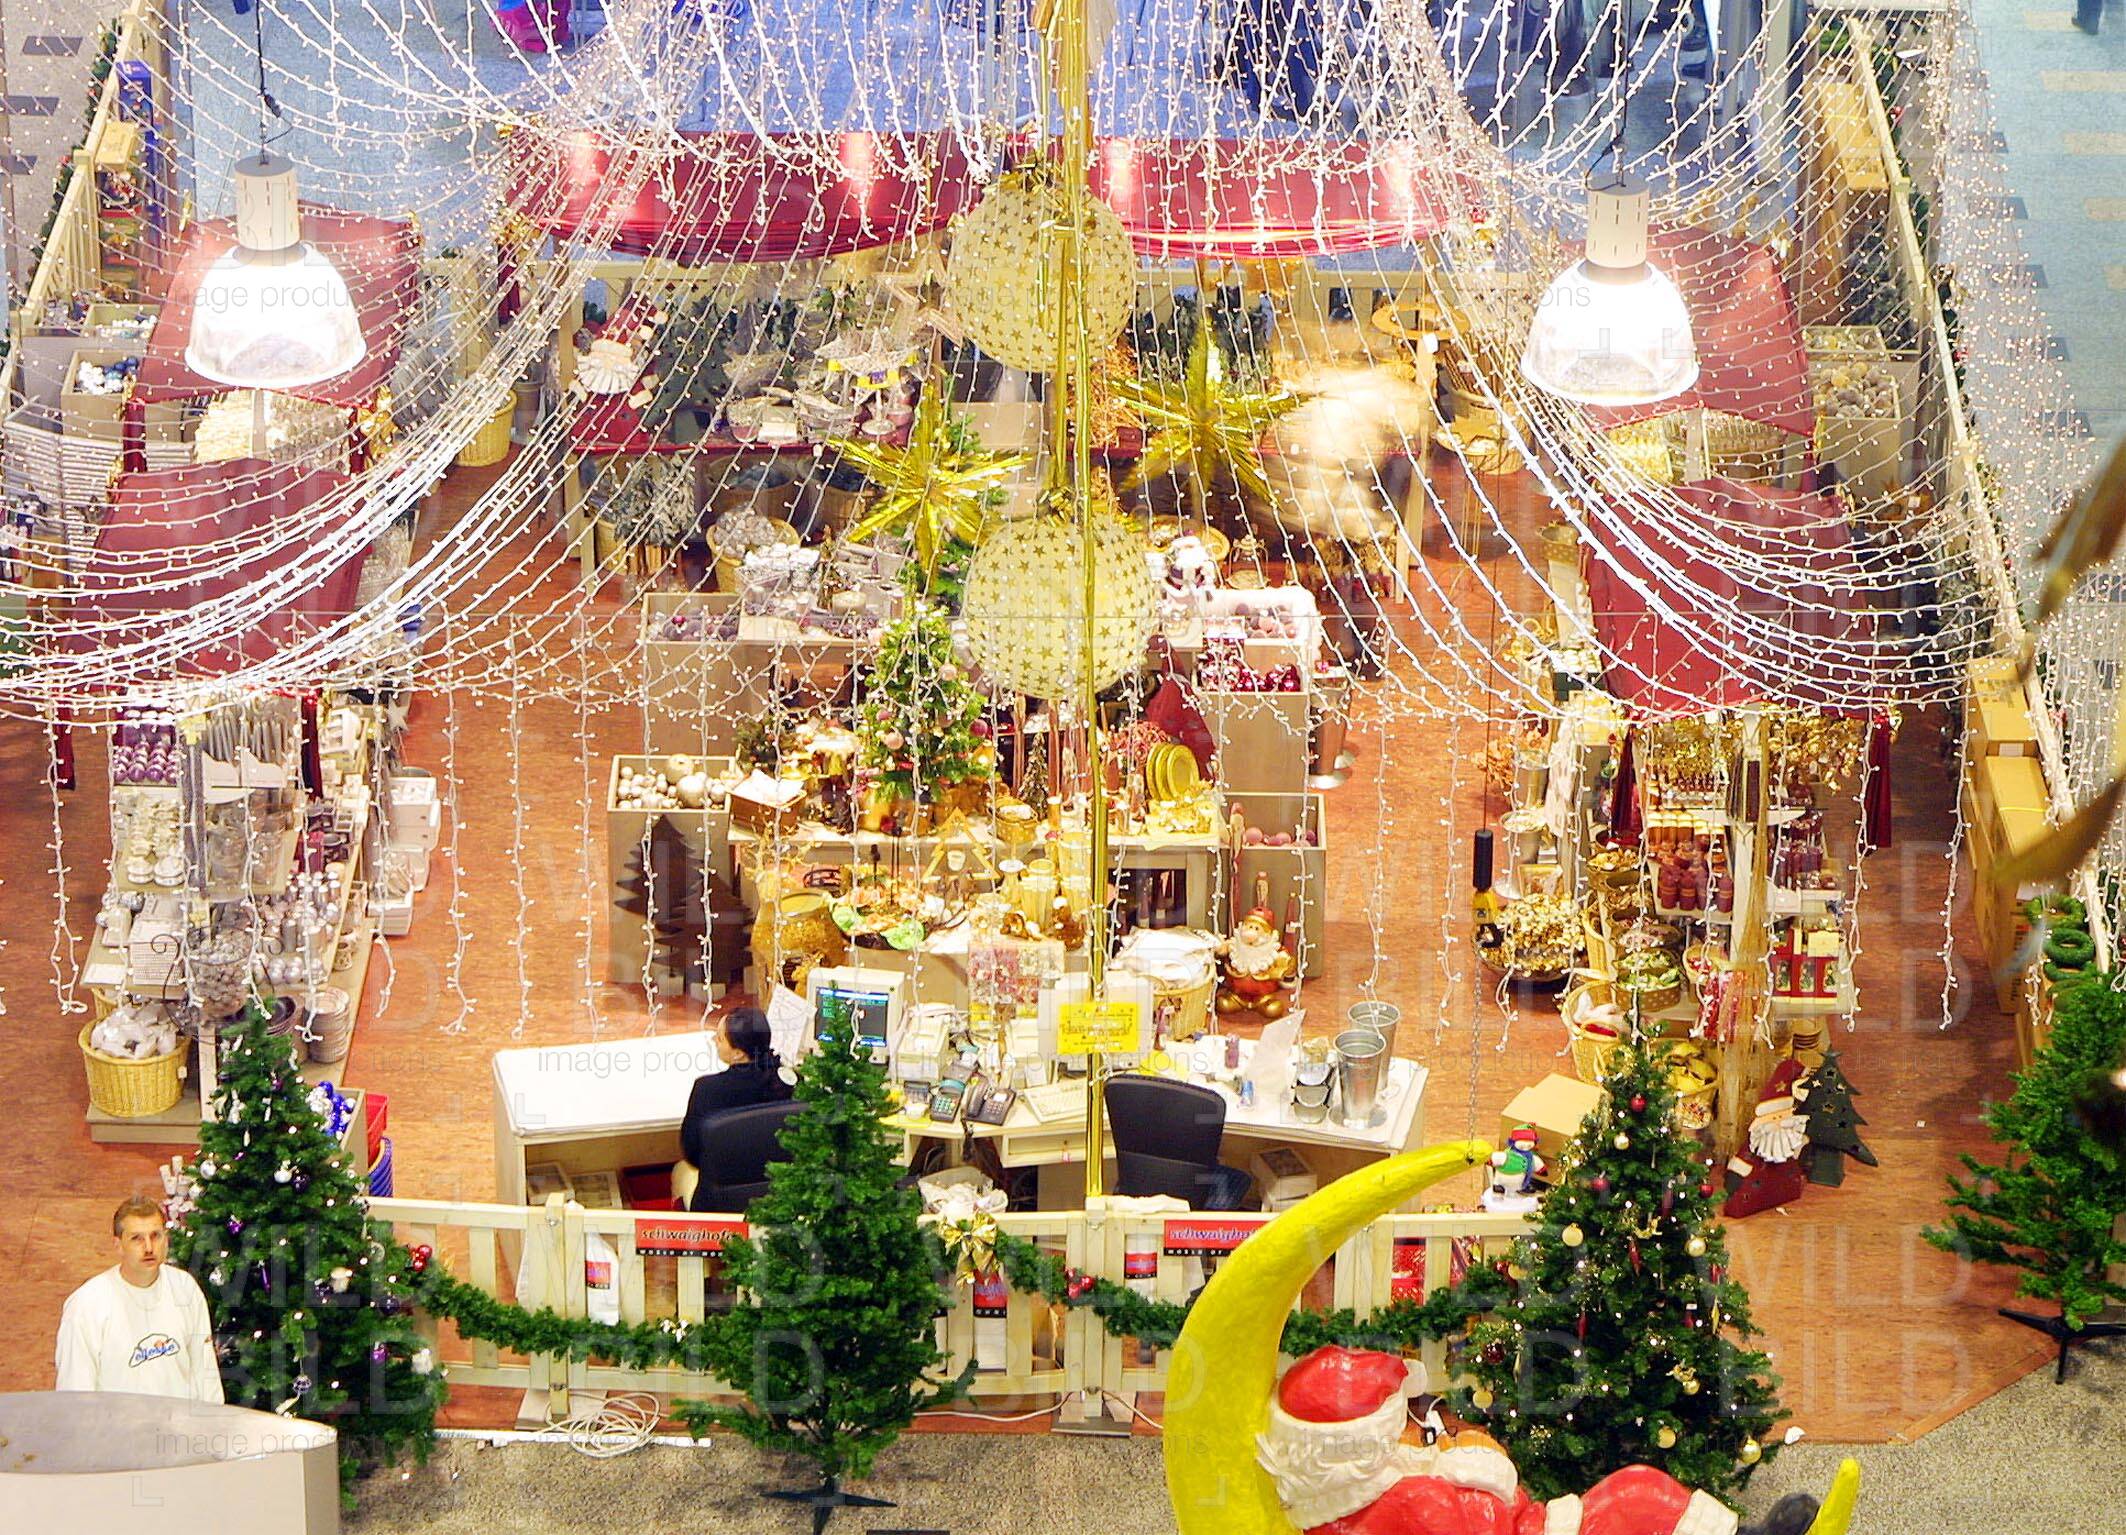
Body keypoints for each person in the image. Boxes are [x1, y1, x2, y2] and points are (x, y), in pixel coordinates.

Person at [1256, 1345, 1817, 1535]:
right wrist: (1470, 1455)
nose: (1413, 1426)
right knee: (1637, 1495)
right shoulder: (1412, 1498)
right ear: (1357, 1446)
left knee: (1636, 1490)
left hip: (1531, 1520)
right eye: (1397, 1418)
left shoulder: (1368, 1492)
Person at [55, 1195, 223, 1402]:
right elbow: (75, 1394)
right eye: (137, 1238)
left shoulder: (185, 1288)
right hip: (117, 1422)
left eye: (155, 1236)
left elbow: (205, 1374)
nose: (149, 1247)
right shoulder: (86, 1306)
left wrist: (212, 1418)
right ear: (118, 1245)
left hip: (180, 1421)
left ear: (166, 1239)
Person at [675, 1006, 793, 1207]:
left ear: (738, 1053)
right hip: (780, 1201)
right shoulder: (791, 1082)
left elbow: (692, 1155)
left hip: (719, 1207)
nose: (714, 1040)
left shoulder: (707, 1089)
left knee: (680, 1171)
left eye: (720, 1038)